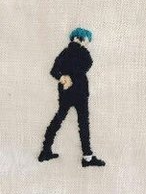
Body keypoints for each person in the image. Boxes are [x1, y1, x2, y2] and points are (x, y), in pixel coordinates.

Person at [38, 28, 105, 167]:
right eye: (87, 40)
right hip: (80, 93)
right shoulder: (84, 54)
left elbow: (53, 71)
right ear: (82, 39)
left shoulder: (65, 52)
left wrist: (63, 77)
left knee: (58, 119)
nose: (87, 43)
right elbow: (87, 64)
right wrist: (69, 76)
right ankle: (87, 157)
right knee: (83, 123)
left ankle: (45, 150)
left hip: (66, 93)